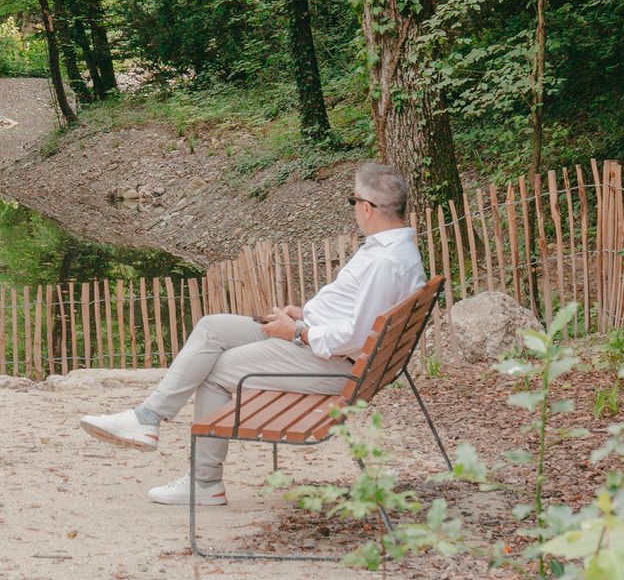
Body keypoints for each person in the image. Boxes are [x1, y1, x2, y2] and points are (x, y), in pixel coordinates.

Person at [78, 161, 425, 506]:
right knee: (212, 328)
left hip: (332, 363)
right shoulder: (393, 249)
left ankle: (204, 481)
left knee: (214, 371)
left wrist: (298, 333)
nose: (353, 209)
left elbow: (355, 337)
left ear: (367, 207)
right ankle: (147, 418)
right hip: (323, 344)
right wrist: (307, 315)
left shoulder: (385, 262)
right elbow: (359, 317)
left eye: (352, 201)